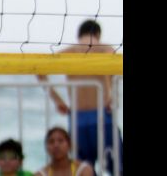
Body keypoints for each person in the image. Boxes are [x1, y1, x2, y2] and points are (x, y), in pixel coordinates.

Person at [37, 20, 122, 175]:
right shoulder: (105, 49)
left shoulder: (69, 51)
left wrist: (58, 101)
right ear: (98, 34)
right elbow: (111, 69)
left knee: (82, 170)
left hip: (77, 119)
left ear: (79, 34)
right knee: (118, 168)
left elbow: (40, 72)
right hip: (103, 117)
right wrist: (111, 96)